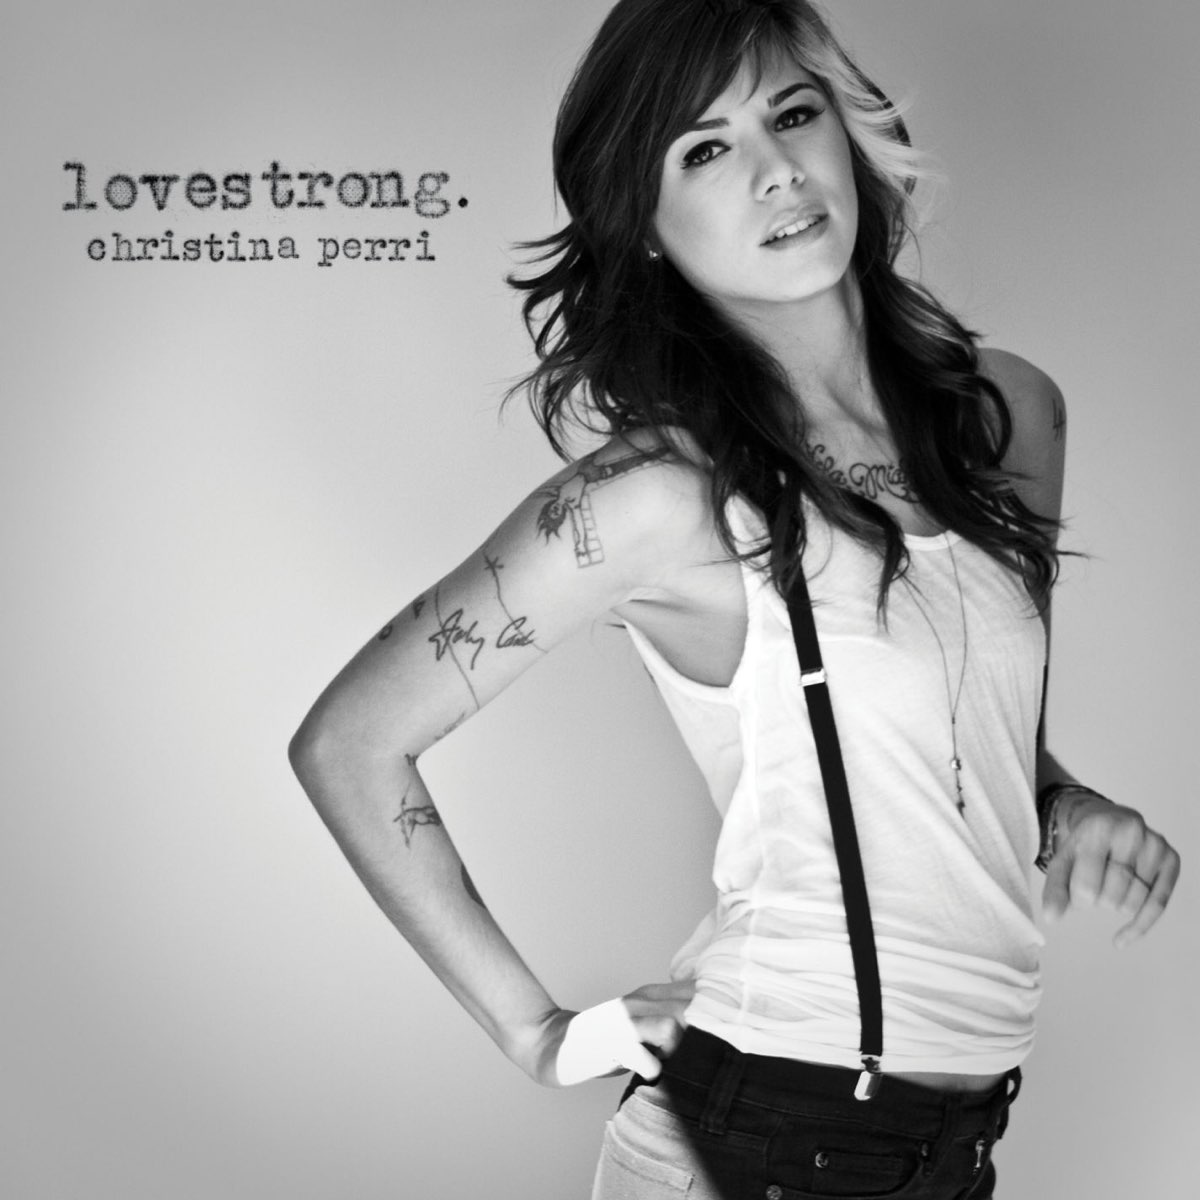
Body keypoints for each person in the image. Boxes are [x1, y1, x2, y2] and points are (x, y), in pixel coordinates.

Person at [288, 1, 1181, 1196]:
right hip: (750, 1143)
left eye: (793, 114)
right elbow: (350, 744)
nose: (776, 172)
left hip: (955, 1154)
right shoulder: (664, 500)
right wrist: (539, 1034)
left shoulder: (1006, 415)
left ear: (848, 132)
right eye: (705, 150)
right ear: (647, 226)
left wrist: (1073, 814)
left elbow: (979, 745)